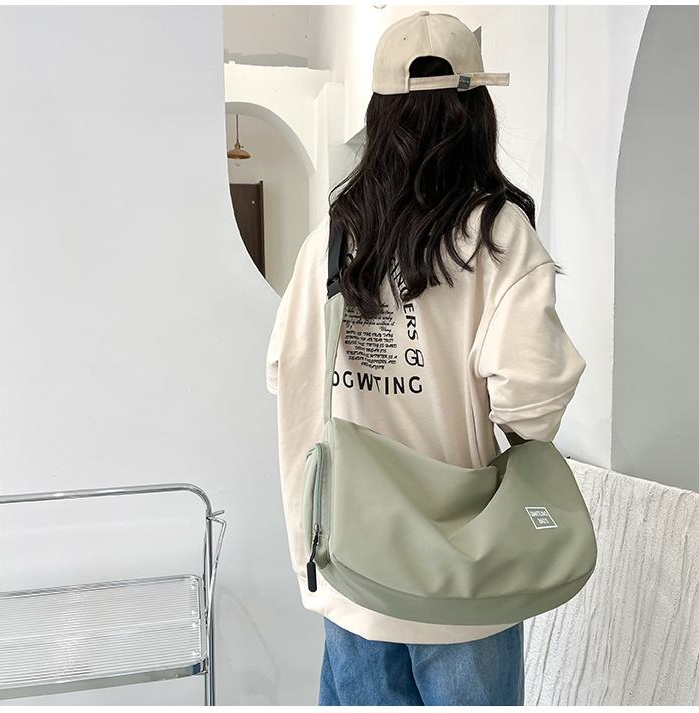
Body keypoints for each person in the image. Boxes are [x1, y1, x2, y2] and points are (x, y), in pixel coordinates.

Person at [266, 10, 587, 706]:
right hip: (462, 580)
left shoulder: (331, 238)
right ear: (476, 113)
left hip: (350, 565)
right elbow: (532, 407)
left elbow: (285, 376)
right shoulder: (497, 234)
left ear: (380, 115)